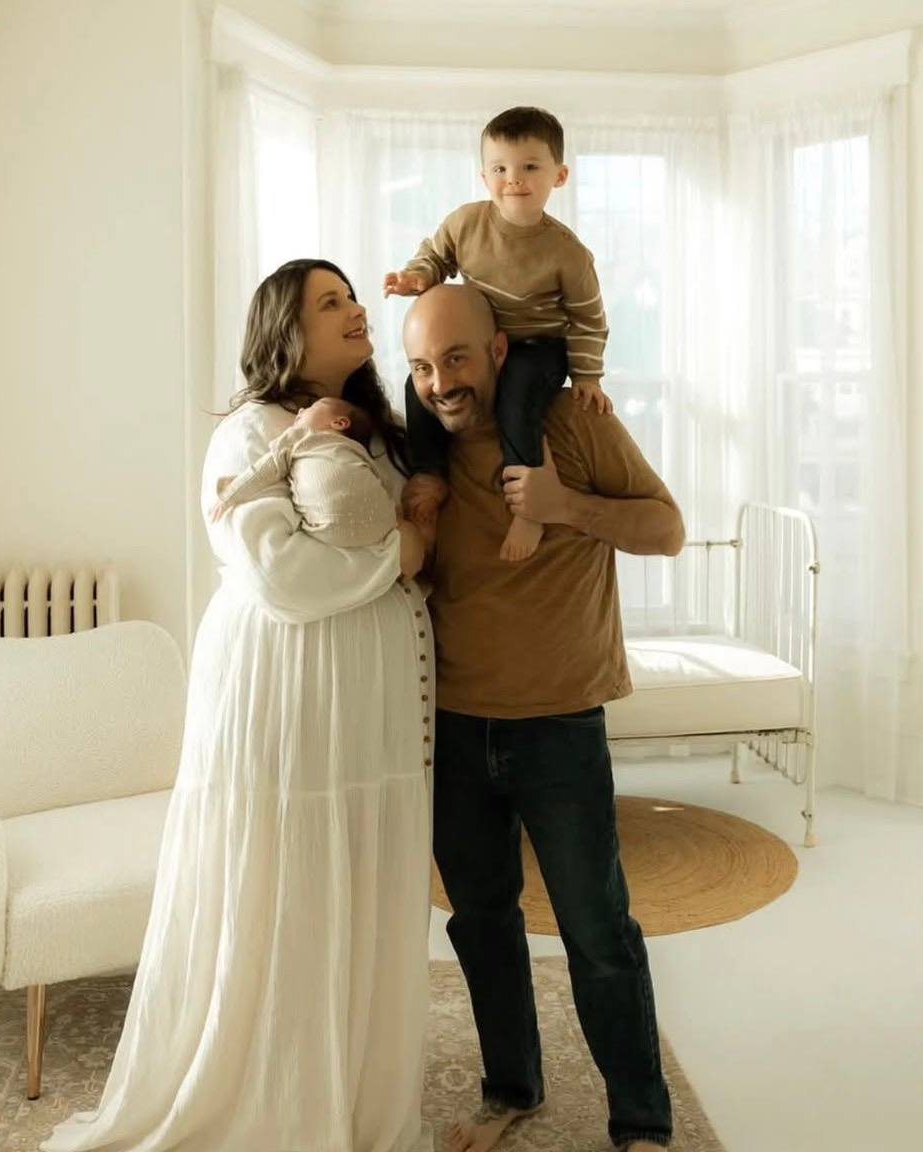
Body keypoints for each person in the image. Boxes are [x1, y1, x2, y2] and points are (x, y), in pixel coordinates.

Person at [42, 259, 433, 1152]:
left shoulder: (381, 433)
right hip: (286, 690)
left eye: (351, 296)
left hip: (368, 706)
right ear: (284, 330)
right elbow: (281, 576)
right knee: (287, 886)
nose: (353, 310)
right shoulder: (247, 432)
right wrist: (399, 557)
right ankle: (273, 1105)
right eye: (328, 302)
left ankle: (353, 1099)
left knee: (356, 892)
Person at [402, 284, 684, 1152]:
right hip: (450, 727)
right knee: (479, 924)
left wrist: (569, 509)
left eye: (455, 358)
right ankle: (510, 1090)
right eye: (418, 367)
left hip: (559, 725)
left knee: (597, 932)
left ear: (497, 352)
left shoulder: (570, 421)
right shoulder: (420, 458)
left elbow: (666, 529)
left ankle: (640, 1122)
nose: (438, 383)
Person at [384, 106, 613, 564]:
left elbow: (588, 320)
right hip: (485, 341)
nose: (515, 179)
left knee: (519, 391)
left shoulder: (568, 254)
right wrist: (416, 277)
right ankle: (430, 472)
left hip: (538, 346)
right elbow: (436, 255)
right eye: (500, 168)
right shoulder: (467, 223)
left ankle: (527, 498)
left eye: (531, 167)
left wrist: (588, 376)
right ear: (484, 175)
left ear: (559, 176)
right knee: (418, 384)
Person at [207, 395, 402, 552]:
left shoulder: (300, 437)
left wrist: (230, 494)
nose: (300, 411)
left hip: (327, 528)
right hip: (380, 527)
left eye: (313, 407)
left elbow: (265, 468)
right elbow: (383, 482)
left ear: (339, 423)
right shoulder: (358, 454)